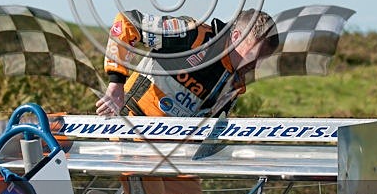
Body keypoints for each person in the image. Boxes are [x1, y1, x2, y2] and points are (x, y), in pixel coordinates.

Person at [95, 8, 279, 117]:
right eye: (256, 54)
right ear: (237, 37)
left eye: (263, 59)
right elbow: (127, 23)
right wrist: (116, 83)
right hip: (133, 128)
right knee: (148, 184)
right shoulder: (193, 35)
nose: (257, 65)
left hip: (176, 152)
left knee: (191, 184)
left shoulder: (235, 83)